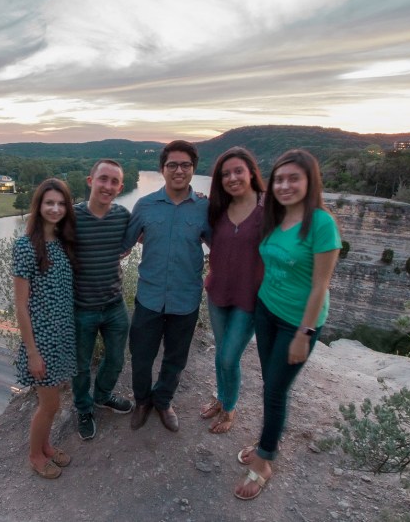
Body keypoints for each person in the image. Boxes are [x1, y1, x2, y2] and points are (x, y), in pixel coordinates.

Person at [234, 149, 341, 500]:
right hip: (267, 310)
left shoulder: (321, 224)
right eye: (279, 179)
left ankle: (265, 460)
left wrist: (304, 334)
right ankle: (268, 439)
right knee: (271, 384)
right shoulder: (276, 217)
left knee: (276, 390)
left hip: (298, 322)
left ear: (310, 182)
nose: (285, 185)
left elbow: (320, 286)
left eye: (294, 178)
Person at [122, 140, 211, 433]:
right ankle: (142, 401)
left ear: (193, 169)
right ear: (162, 169)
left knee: (175, 357)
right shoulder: (145, 205)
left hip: (185, 299)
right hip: (149, 298)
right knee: (141, 356)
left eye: (185, 165)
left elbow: (222, 245)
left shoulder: (204, 207)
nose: (178, 170)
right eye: (172, 164)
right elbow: (123, 245)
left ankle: (163, 401)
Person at [13, 178, 77, 479]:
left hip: (62, 336)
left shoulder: (63, 243)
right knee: (48, 404)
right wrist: (32, 353)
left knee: (53, 404)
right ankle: (35, 456)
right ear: (38, 206)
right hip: (42, 340)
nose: (55, 208)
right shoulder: (25, 247)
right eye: (49, 202)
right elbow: (21, 305)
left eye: (61, 203)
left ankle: (47, 446)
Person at [200, 147, 265, 434]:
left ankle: (229, 407)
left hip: (249, 298)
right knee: (220, 353)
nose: (232, 177)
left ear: (251, 172)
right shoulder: (217, 209)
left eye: (238, 171)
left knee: (229, 356)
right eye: (225, 174)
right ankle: (221, 396)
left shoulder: (269, 210)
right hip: (217, 292)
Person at [72, 159, 134, 440]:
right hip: (81, 308)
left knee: (117, 358)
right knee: (81, 366)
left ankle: (103, 396)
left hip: (114, 304)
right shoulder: (70, 217)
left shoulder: (123, 216)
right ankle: (84, 408)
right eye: (103, 179)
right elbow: (42, 238)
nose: (107, 186)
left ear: (120, 188)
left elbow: (151, 231)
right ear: (90, 181)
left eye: (114, 182)